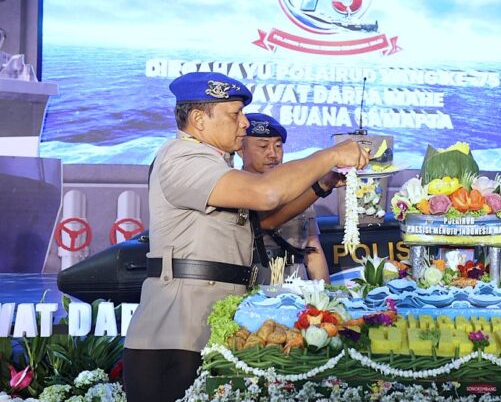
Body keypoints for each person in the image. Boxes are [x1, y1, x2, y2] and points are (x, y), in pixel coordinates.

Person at [123, 72, 369, 402]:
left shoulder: (215, 164)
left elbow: (265, 222)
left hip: (208, 321)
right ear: (198, 119)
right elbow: (267, 194)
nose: (244, 123)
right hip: (177, 330)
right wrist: (331, 154)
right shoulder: (182, 159)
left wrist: (321, 184)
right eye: (235, 114)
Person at [239, 112, 334, 283]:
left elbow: (313, 247)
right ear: (240, 149)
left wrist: (325, 294)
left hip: (297, 279)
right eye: (262, 147)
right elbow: (267, 222)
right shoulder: (234, 189)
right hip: (255, 281)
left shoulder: (300, 189)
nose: (273, 154)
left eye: (278, 146)